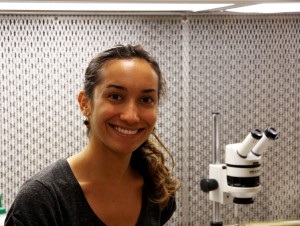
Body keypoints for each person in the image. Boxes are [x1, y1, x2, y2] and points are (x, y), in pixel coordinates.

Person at [5, 44, 179, 226]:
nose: (131, 116)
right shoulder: (43, 200)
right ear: (85, 103)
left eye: (146, 100)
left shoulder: (158, 190)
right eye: (115, 96)